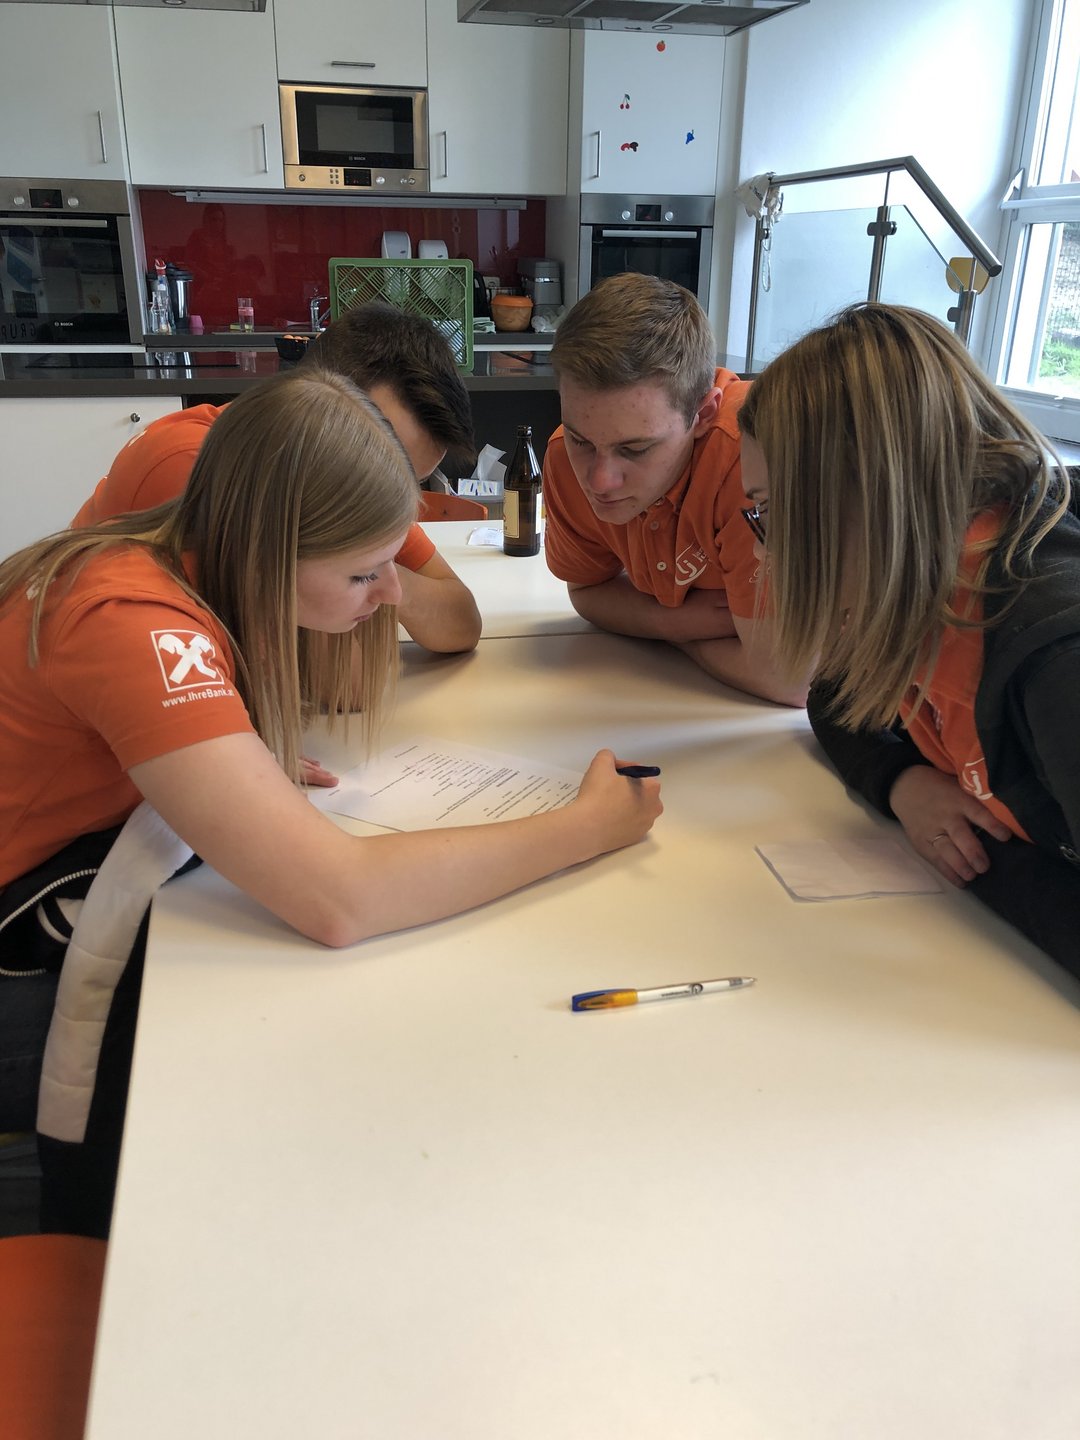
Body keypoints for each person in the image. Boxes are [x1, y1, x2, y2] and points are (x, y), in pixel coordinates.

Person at [0, 370, 662, 1234]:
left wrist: (227, 765)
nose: (389, 596)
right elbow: (340, 899)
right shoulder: (133, 622)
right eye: (363, 574)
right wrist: (586, 827)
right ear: (269, 553)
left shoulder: (180, 555)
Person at [737, 302, 1080, 972]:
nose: (762, 551)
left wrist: (985, 862)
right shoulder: (934, 583)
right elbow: (834, 695)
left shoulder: (1057, 662)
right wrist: (902, 783)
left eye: (773, 512)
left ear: (868, 496)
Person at [73, 302, 483, 656]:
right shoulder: (196, 467)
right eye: (382, 456)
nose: (389, 489)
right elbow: (338, 685)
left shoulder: (334, 478)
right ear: (321, 396)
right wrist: (366, 575)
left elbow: (461, 623)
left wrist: (374, 574)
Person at [542, 273, 807, 706]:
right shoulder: (560, 458)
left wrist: (676, 636)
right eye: (580, 440)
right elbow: (586, 592)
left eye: (635, 449)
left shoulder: (754, 458)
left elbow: (790, 678)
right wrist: (675, 624)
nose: (599, 481)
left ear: (704, 414)